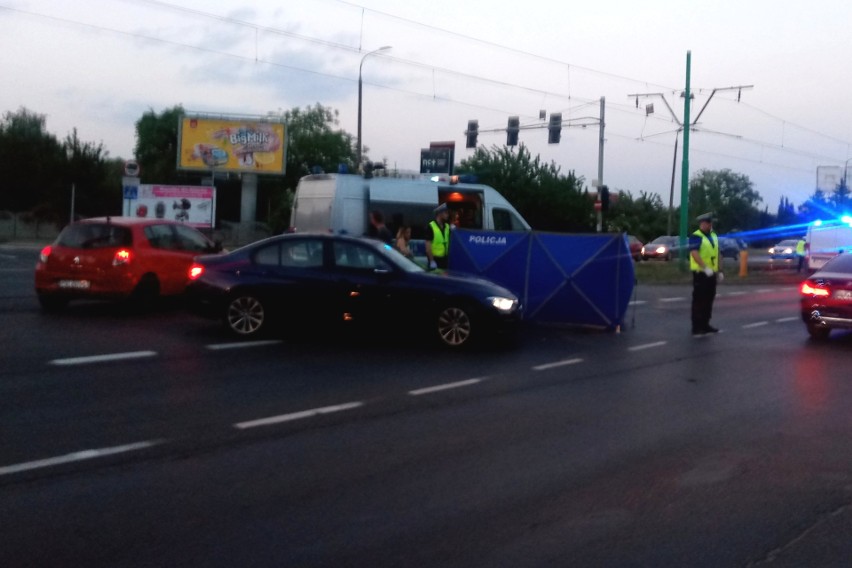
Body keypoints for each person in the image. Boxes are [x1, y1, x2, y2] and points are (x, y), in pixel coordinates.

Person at [689, 212, 722, 336]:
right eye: (708, 223)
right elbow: (694, 253)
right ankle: (696, 326)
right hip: (701, 273)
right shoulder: (696, 236)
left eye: (710, 223)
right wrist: (705, 267)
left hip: (711, 273)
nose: (710, 225)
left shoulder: (713, 235)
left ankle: (705, 324)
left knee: (709, 298)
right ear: (702, 224)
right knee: (699, 299)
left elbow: (718, 253)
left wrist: (720, 270)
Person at [425, 203, 451, 270]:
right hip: (435, 259)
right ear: (440, 213)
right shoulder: (431, 226)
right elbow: (428, 247)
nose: (448, 215)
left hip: (445, 260)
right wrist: (432, 261)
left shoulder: (447, 226)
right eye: (446, 213)